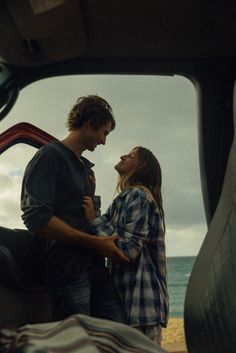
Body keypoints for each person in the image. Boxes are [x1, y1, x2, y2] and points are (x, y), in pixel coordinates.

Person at [21, 95, 127, 322]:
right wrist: (92, 242)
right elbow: (36, 217)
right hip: (67, 268)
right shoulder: (49, 156)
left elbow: (86, 216)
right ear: (89, 125)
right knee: (76, 341)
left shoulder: (85, 168)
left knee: (117, 330)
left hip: (95, 266)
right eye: (104, 133)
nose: (104, 141)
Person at [83, 146, 169, 345]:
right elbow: (100, 230)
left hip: (141, 304)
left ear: (141, 168)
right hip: (131, 302)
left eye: (131, 157)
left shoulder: (138, 196)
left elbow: (128, 250)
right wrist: (91, 195)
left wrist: (94, 220)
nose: (122, 156)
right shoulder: (122, 200)